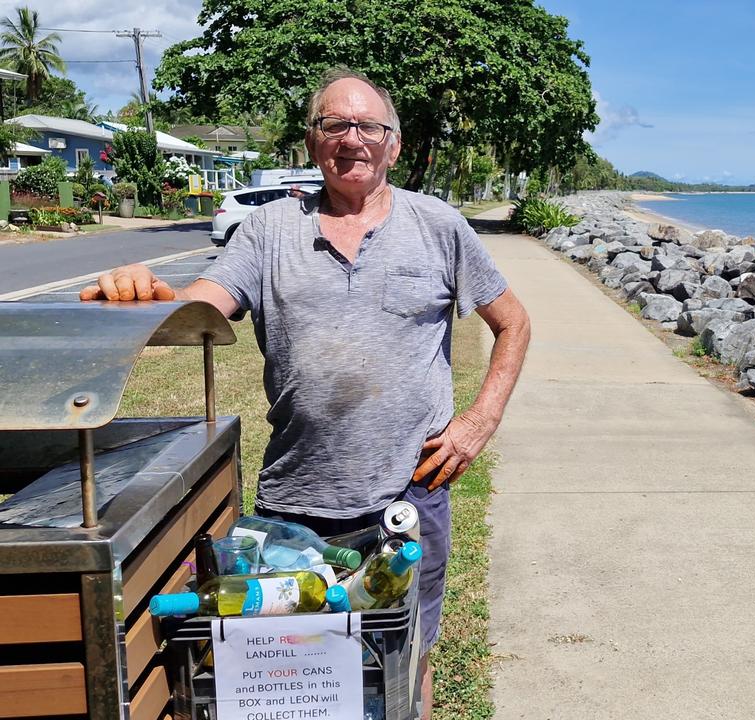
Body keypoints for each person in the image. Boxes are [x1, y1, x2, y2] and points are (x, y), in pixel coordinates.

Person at [80, 67, 530, 719]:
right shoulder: (265, 233)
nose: (352, 138)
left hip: (409, 494)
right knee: (299, 671)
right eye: (334, 124)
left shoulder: (439, 227)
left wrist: (479, 421)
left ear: (393, 144)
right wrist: (147, 294)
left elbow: (512, 321)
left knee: (407, 658)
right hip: (295, 504)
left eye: (368, 126)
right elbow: (200, 308)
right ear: (313, 140)